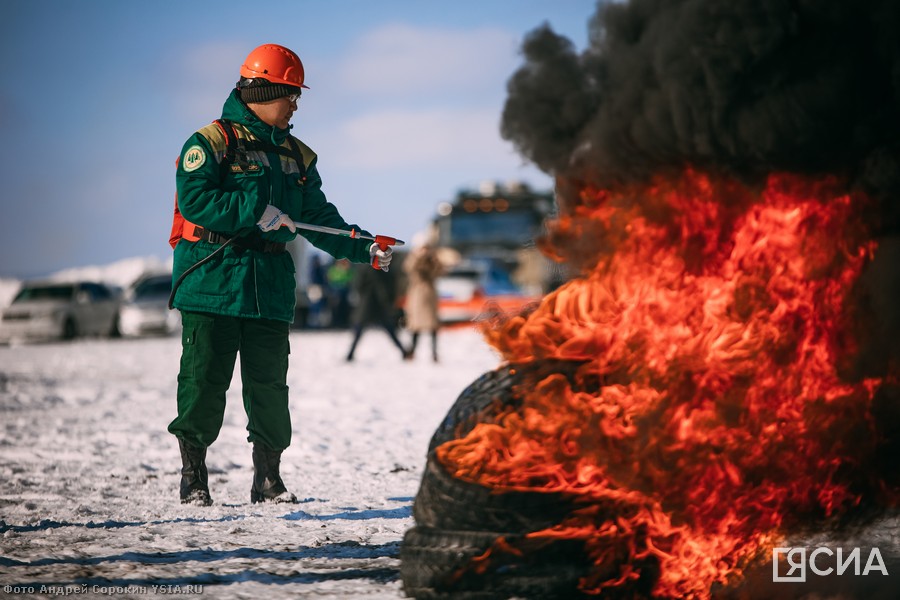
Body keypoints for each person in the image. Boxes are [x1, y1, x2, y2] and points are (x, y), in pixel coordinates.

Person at [167, 43, 394, 506]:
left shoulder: (297, 156)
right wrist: (256, 210)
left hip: (268, 285)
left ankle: (268, 480)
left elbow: (320, 217)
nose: (295, 104)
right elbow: (196, 202)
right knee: (203, 382)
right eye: (289, 94)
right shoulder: (210, 143)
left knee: (270, 386)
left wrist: (364, 246)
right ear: (261, 91)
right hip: (211, 280)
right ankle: (194, 478)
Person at [345, 261, 410, 362]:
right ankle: (350, 354)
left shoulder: (371, 266)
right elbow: (359, 284)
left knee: (387, 329)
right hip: (371, 302)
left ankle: (350, 354)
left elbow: (359, 284)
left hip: (375, 303)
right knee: (362, 329)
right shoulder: (377, 266)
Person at [403, 237, 445, 362]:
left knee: (433, 326)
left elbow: (439, 271)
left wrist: (433, 259)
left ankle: (434, 353)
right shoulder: (413, 259)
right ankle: (412, 351)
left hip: (430, 296)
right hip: (418, 296)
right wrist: (418, 257)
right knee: (416, 326)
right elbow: (410, 269)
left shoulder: (432, 261)